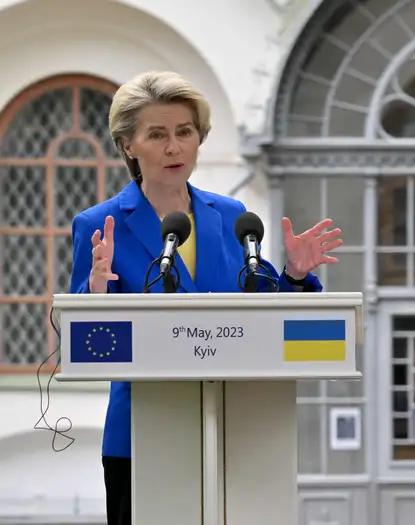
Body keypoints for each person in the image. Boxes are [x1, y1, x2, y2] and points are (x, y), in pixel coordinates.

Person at [67, 71, 344, 525]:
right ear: (128, 146)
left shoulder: (232, 216)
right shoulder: (99, 224)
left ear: (199, 139)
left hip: (236, 428)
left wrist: (294, 275)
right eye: (157, 135)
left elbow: (261, 311)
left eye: (185, 132)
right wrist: (97, 289)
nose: (174, 147)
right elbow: (84, 342)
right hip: (141, 435)